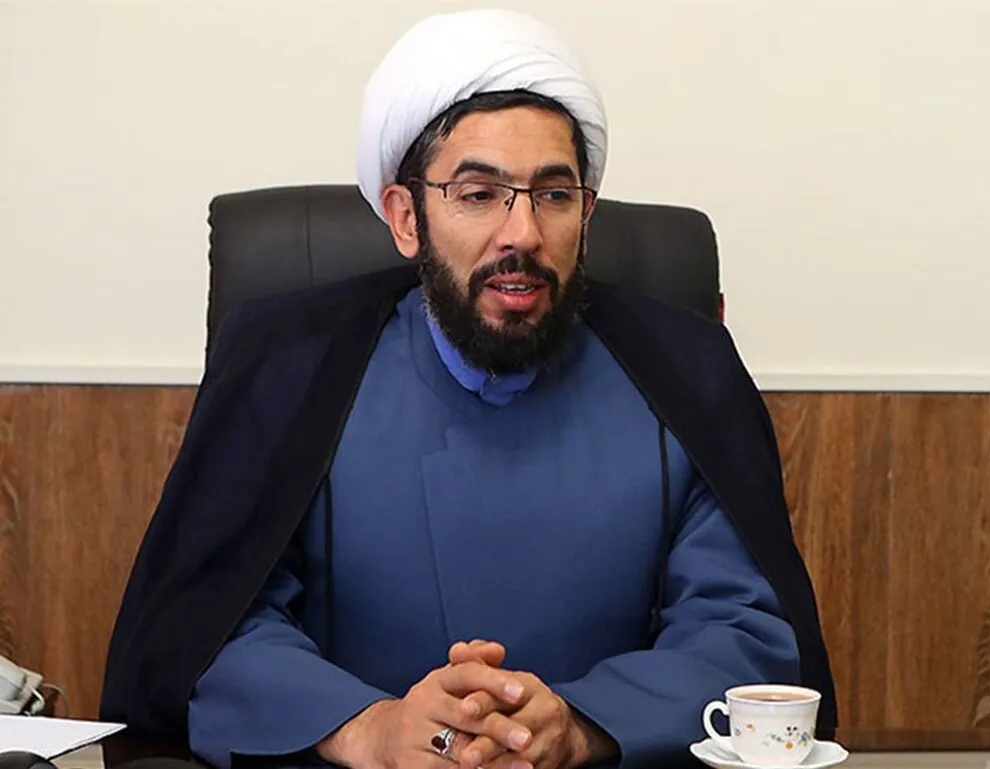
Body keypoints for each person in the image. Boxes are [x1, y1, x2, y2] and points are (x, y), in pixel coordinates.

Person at [99, 9, 837, 769]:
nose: (522, 234)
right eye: (479, 193)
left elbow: (743, 634)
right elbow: (211, 629)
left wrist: (581, 725)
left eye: (554, 194)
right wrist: (370, 729)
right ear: (405, 217)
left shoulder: (685, 372)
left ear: (586, 214)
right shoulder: (288, 368)